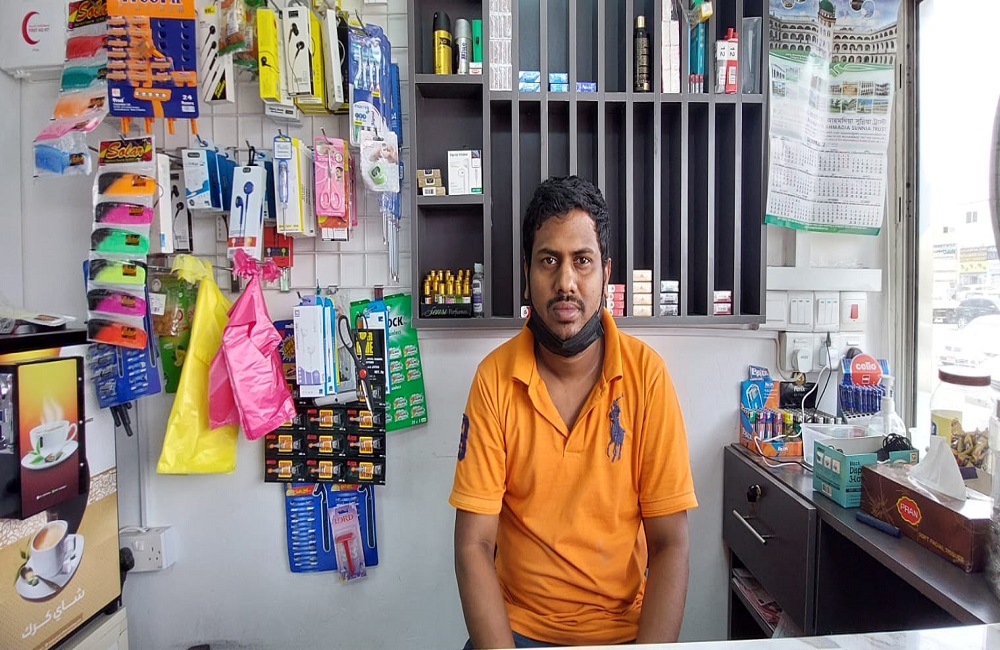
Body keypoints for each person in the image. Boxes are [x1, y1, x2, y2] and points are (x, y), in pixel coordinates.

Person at [449, 176, 698, 648]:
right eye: (549, 260)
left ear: (606, 272)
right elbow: (473, 545)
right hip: (517, 631)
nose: (566, 282)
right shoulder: (494, 380)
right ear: (527, 271)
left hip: (623, 634)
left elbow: (671, 544)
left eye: (582, 261)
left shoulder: (647, 377)